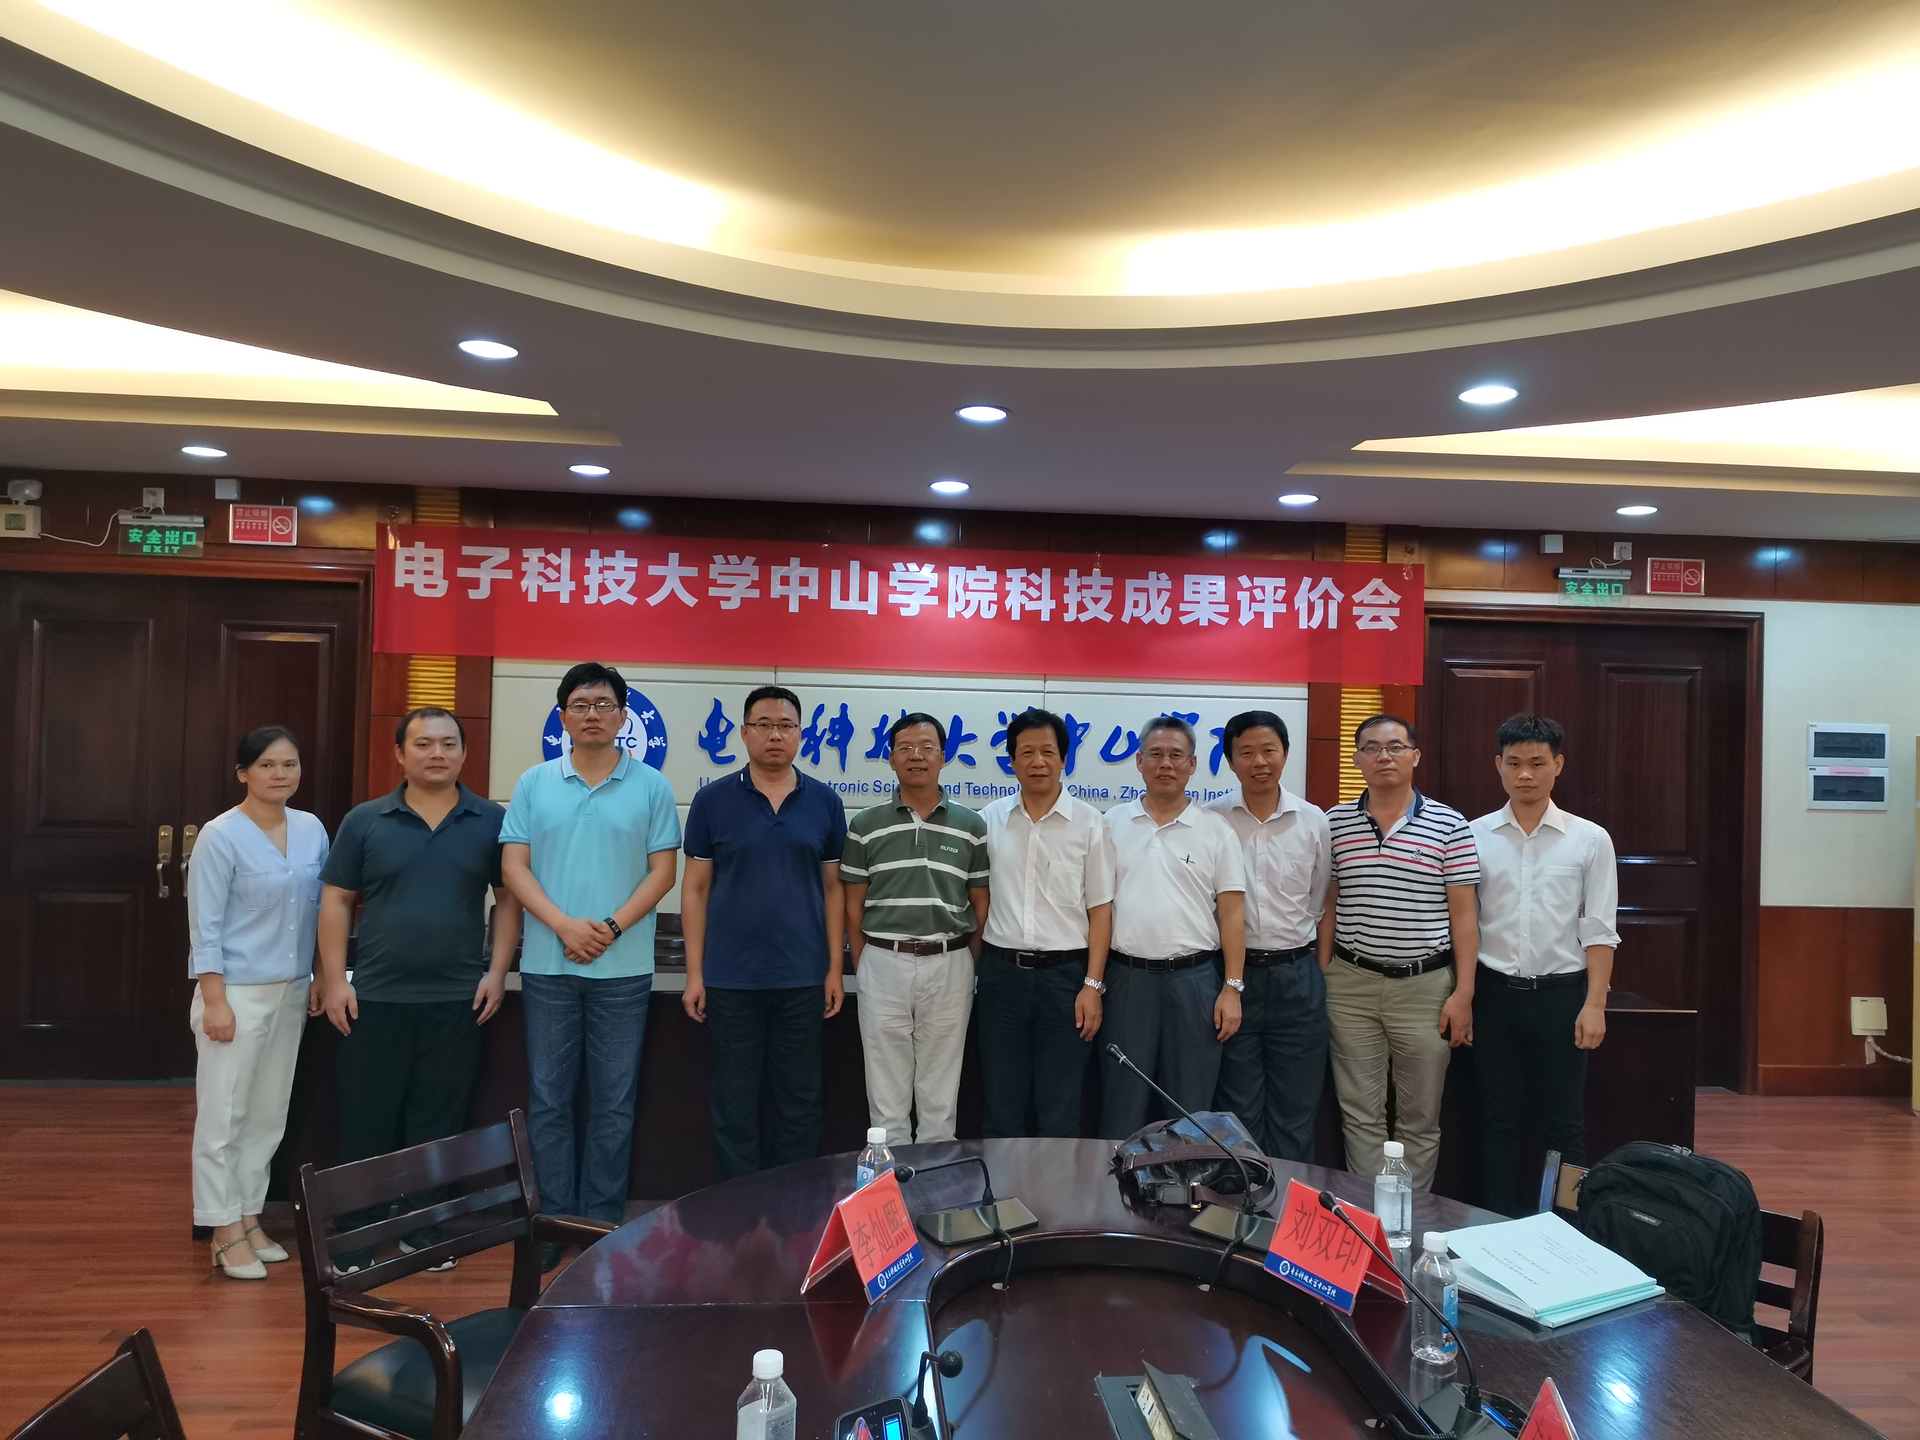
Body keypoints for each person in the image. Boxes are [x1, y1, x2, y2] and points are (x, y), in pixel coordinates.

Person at [317, 706, 522, 1269]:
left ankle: (423, 1228)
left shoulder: (492, 820)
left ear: (464, 753)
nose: (437, 753)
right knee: (367, 1119)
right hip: (374, 996)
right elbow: (336, 900)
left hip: (458, 999)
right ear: (400, 754)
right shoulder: (365, 820)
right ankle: (355, 1233)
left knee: (438, 1122)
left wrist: (497, 972)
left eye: (449, 743)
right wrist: (334, 980)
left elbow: (508, 900)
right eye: (424, 743)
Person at [501, 663, 680, 1260]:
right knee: (549, 1101)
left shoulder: (651, 786)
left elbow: (663, 873)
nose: (593, 714)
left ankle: (599, 1227)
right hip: (548, 966)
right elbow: (514, 868)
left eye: (604, 705)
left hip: (623, 969)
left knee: (613, 1103)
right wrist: (563, 926)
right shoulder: (534, 782)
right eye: (580, 705)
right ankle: (553, 1224)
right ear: (562, 716)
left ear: (624, 716)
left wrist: (609, 927)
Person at [681, 685, 848, 1179]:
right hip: (730, 979)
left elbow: (834, 889)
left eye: (786, 726)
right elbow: (695, 889)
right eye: (764, 725)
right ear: (744, 732)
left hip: (803, 977)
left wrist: (834, 969)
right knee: (734, 1103)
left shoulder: (825, 801)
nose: (775, 735)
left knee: (800, 1101)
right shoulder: (711, 800)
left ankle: (791, 1204)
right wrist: (695, 974)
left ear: (801, 733)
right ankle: (739, 1205)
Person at [187, 726, 328, 1279]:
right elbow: (204, 927)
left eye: (289, 764)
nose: (280, 774)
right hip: (235, 994)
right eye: (267, 765)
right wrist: (214, 1000)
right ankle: (221, 1228)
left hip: (292, 989)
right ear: (243, 773)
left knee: (268, 1115)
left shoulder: (312, 830)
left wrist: (320, 975)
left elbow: (323, 912)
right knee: (224, 1116)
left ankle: (248, 1216)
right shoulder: (220, 835)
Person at [1319, 715, 1479, 1192]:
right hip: (1351, 985)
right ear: (1357, 759)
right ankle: (1366, 1220)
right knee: (1359, 1112)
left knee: (1419, 1117)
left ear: (1415, 755)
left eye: (1394, 746)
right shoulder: (1334, 823)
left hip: (1425, 988)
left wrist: (1464, 994)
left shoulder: (1450, 825)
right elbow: (1328, 903)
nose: (1383, 756)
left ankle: (1408, 1217)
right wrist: (1325, 969)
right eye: (1371, 747)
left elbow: (1464, 917)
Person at [1469, 713, 1621, 1215]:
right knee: (1497, 1119)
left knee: (1565, 1123)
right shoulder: (1473, 835)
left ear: (1559, 764)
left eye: (1537, 763)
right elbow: (1465, 923)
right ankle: (1492, 1224)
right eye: (1514, 763)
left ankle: (1568, 1229)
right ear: (1498, 765)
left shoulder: (1590, 839)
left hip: (1562, 996)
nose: (1525, 774)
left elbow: (1600, 929)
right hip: (1493, 994)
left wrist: (1595, 1004)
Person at [841, 712, 990, 1146]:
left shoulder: (971, 825)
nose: (916, 756)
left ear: (943, 757)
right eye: (905, 748)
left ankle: (936, 1182)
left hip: (950, 962)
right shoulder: (865, 825)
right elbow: (853, 905)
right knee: (885, 1092)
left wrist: (963, 958)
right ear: (890, 759)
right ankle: (890, 1184)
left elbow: (981, 903)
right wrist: (866, 961)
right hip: (883, 962)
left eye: (927, 748)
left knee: (940, 1095)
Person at [1099, 715, 1247, 1140]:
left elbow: (1232, 914)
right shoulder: (1111, 824)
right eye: (1156, 754)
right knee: (1122, 1103)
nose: (1166, 764)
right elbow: (1098, 908)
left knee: (1191, 1109)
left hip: (1195, 983)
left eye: (1177, 755)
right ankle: (1116, 1182)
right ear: (1139, 761)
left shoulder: (1215, 830)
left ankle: (1190, 1183)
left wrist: (1232, 988)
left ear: (1193, 764)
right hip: (1127, 980)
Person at [977, 709, 1116, 1138]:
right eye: (1027, 752)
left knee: (1060, 1108)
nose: (1037, 762)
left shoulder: (1091, 823)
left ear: (1064, 760)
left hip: (1066, 981)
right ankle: (1002, 1183)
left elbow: (1101, 911)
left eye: (1048, 752)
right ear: (1011, 761)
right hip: (1001, 978)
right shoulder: (989, 820)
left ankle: (1057, 1186)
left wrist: (1092, 986)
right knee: (1002, 1106)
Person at [1207, 710, 1332, 1162]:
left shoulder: (1313, 821)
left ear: (1285, 753)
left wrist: (1318, 971)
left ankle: (1293, 1201)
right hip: (1232, 979)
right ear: (1230, 760)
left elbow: (1319, 901)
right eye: (1246, 752)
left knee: (1296, 1111)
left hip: (1297, 975)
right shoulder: (1211, 819)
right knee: (1238, 1109)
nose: (1259, 761)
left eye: (1269, 750)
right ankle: (1246, 1198)